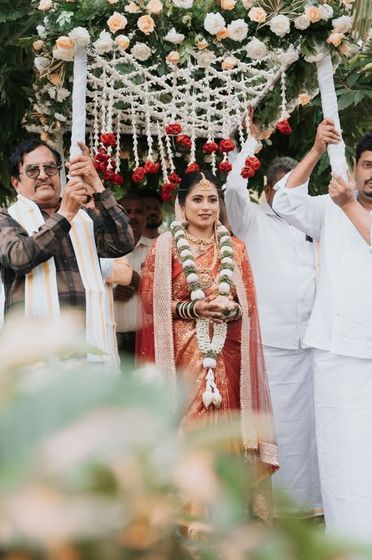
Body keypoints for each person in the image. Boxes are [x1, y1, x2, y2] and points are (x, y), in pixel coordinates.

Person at [273, 121, 372, 559]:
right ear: (354, 168)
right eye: (367, 165)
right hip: (335, 352)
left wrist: (346, 204)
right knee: (341, 461)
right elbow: (283, 200)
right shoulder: (326, 206)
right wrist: (317, 149)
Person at [137, 171, 279, 518]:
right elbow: (152, 303)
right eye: (197, 200)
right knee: (191, 429)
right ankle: (188, 519)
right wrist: (195, 307)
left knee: (228, 430)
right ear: (182, 206)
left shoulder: (235, 247)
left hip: (227, 357)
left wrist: (231, 309)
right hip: (184, 359)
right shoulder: (165, 247)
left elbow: (248, 304)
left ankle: (227, 517)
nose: (206, 207)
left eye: (212, 199)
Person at [224, 122, 321, 516]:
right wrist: (253, 140)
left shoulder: (312, 221)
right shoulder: (251, 220)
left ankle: (310, 505)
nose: (284, 195)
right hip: (271, 346)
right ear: (266, 190)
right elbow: (232, 188)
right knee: (275, 430)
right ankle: (270, 508)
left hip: (313, 343)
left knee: (309, 431)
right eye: (278, 188)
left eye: (292, 188)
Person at [0, 138, 134, 363]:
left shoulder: (86, 217)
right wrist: (66, 214)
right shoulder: (8, 217)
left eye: (50, 167)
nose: (43, 175)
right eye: (32, 170)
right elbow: (18, 256)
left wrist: (96, 183)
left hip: (91, 350)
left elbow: (123, 241)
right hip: (33, 358)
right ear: (16, 182)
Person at [113, 190, 163, 364]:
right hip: (112, 340)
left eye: (139, 212)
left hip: (147, 338)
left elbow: (168, 296)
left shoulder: (158, 250)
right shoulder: (104, 250)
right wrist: (112, 294)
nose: (133, 217)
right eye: (127, 211)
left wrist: (140, 284)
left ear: (145, 217)